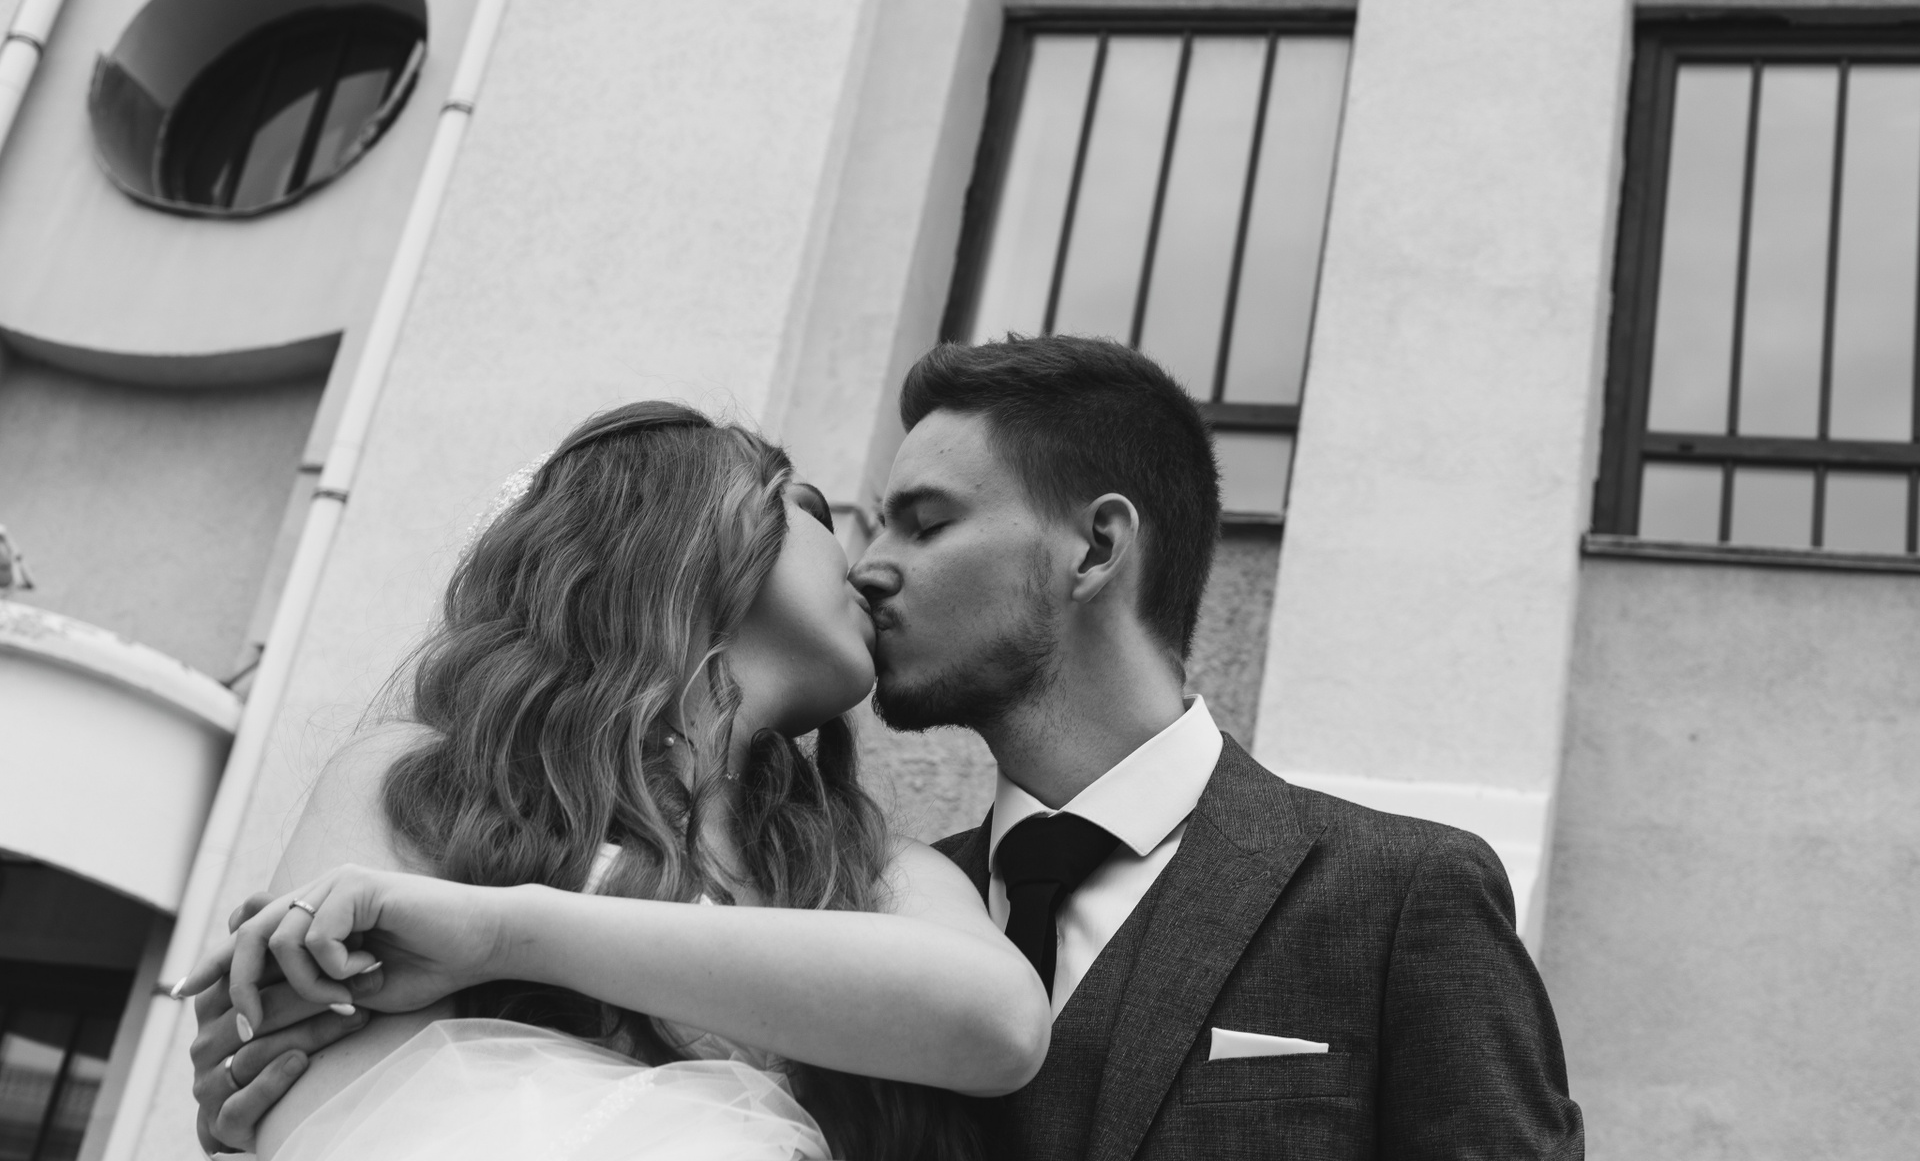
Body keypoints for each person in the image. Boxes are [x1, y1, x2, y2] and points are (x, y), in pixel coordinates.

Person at [194, 335, 1585, 1160]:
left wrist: (504, 934)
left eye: (920, 522)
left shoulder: (1396, 892)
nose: (866, 563)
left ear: (1094, 549)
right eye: (838, 518)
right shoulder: (910, 885)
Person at [177, 401, 1051, 1160]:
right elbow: (321, 1100)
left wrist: (505, 933)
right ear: (688, 528)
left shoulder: (877, 866)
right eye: (814, 509)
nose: (864, 567)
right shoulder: (422, 781)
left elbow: (1000, 1025)